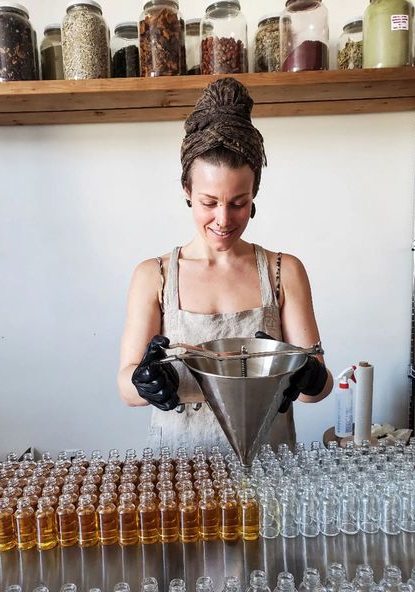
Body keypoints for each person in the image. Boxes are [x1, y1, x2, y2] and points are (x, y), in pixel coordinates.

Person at [118, 77, 333, 454]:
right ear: (186, 190)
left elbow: (317, 392)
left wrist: (310, 375)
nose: (223, 219)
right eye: (208, 201)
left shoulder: (283, 272)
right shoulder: (154, 276)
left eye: (238, 203)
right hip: (180, 471)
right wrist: (144, 381)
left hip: (268, 465)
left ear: (254, 195)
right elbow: (125, 389)